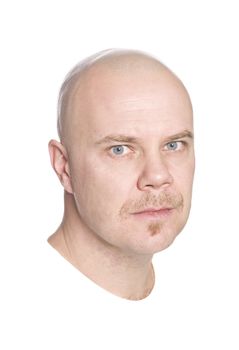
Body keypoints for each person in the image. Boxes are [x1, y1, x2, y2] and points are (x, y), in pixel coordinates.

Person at [48, 48, 195, 301]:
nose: (158, 176)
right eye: (120, 149)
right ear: (64, 166)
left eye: (173, 145)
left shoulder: (208, 296)